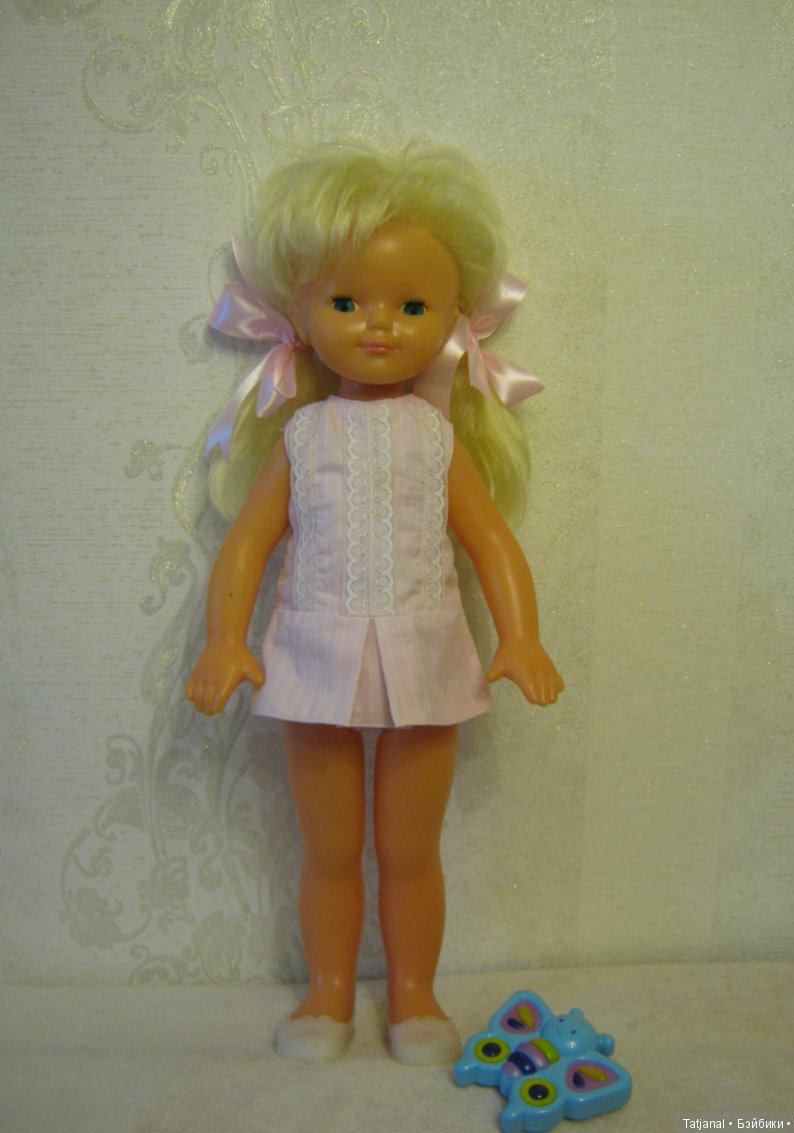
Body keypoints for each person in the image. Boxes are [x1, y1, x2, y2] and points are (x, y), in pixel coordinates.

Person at [186, 142, 564, 1064]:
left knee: (408, 849)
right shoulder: (303, 434)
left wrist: (521, 636)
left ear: (456, 318)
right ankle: (327, 994)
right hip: (313, 655)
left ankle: (414, 996)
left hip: (425, 655)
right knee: (325, 848)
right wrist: (226, 639)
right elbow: (248, 542)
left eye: (413, 307)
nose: (381, 325)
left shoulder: (438, 437)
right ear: (301, 314)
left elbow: (490, 540)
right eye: (348, 303)